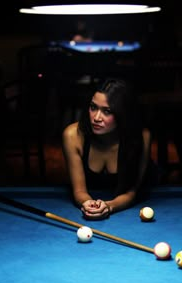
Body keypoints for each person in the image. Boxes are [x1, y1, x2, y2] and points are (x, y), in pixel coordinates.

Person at [62, 77, 157, 220]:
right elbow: (79, 191)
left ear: (123, 114)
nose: (97, 118)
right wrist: (87, 203)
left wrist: (109, 206)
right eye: (93, 107)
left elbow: (131, 193)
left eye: (107, 111)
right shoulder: (72, 136)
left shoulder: (142, 137)